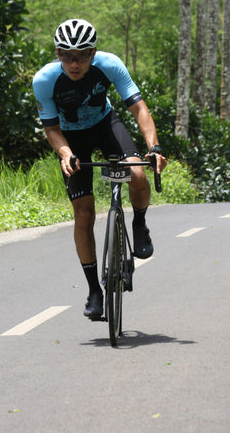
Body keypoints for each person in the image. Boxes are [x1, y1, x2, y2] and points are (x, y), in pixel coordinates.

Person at [32, 18, 167, 320]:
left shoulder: (110, 65)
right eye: (66, 55)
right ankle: (94, 290)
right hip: (70, 138)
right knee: (84, 212)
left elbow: (138, 107)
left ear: (93, 54)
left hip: (105, 126)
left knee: (138, 173)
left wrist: (154, 146)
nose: (74, 62)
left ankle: (140, 224)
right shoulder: (44, 80)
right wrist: (66, 153)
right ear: (57, 54)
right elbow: (51, 129)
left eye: (81, 55)